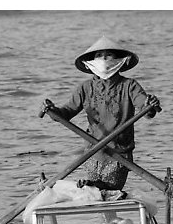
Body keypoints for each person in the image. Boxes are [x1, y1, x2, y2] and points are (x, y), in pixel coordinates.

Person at [41, 35, 161, 193]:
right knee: (95, 196)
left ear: (118, 60)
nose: (104, 59)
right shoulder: (85, 88)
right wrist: (52, 110)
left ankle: (94, 187)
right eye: (99, 56)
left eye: (109, 55)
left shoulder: (129, 86)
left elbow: (146, 110)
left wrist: (149, 104)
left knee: (109, 191)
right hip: (93, 152)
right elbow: (66, 112)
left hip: (119, 153)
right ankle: (92, 188)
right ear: (91, 62)